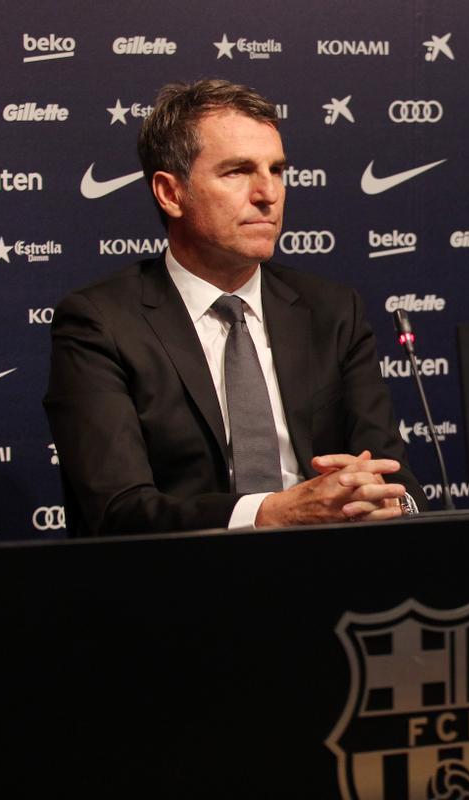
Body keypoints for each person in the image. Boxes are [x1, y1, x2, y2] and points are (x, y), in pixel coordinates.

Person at [45, 79, 427, 536]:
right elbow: (117, 511)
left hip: (330, 575)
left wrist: (388, 502)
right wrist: (270, 514)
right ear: (170, 193)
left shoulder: (332, 311)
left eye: (277, 170)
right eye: (238, 172)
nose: (268, 193)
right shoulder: (101, 323)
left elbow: (395, 479)